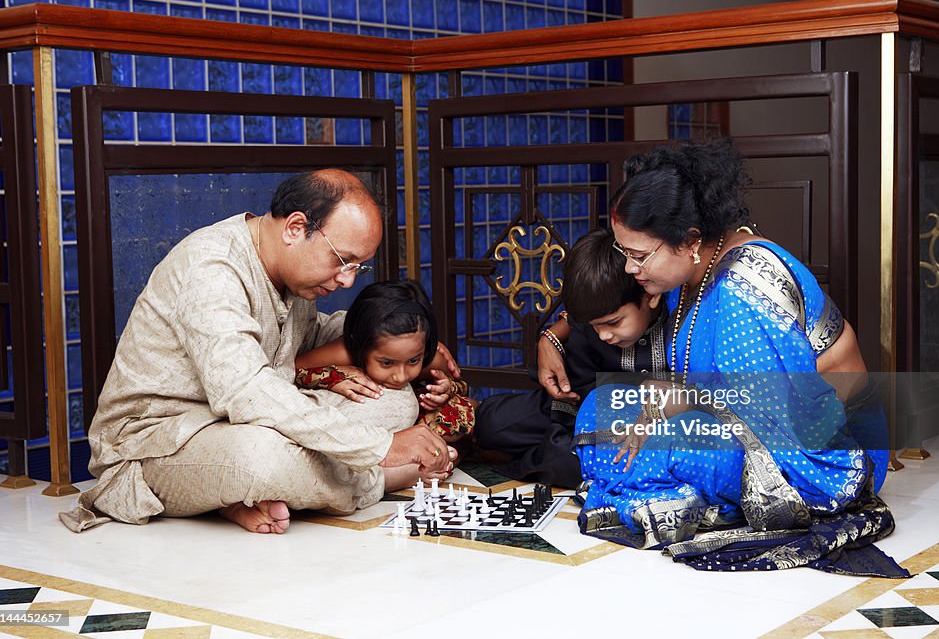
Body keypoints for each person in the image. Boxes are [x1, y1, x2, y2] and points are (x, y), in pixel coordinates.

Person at [571, 140, 902, 576]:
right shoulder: (690, 273)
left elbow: (777, 418)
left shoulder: (739, 290)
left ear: (688, 241)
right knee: (600, 407)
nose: (630, 270)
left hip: (826, 450)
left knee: (679, 446)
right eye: (624, 254)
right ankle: (660, 490)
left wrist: (677, 411)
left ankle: (650, 487)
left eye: (637, 255)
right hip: (748, 422)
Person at [61, 170, 453, 535]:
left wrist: (400, 339)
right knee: (262, 458)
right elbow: (245, 390)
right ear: (296, 228)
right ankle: (381, 479)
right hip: (158, 444)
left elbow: (311, 336)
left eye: (357, 267)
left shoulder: (294, 276)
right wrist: (383, 451)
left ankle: (238, 497)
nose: (347, 278)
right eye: (341, 260)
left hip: (247, 422)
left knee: (395, 400)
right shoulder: (211, 268)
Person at [474, 227, 668, 487]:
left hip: (634, 424)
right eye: (595, 326)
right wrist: (551, 340)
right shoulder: (592, 318)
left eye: (613, 323)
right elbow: (576, 389)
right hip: (572, 409)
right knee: (491, 424)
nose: (603, 336)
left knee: (567, 462)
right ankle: (546, 451)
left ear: (649, 294)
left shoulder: (677, 321)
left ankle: (542, 455)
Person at [293, 279, 476, 462]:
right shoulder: (344, 353)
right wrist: (335, 375)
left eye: (413, 360)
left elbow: (456, 383)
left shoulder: (431, 360)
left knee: (457, 413)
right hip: (367, 424)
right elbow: (292, 368)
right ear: (361, 345)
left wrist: (443, 390)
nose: (401, 376)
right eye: (387, 363)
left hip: (414, 412)